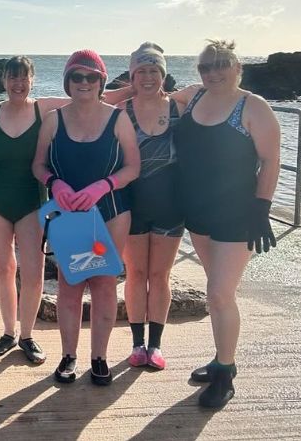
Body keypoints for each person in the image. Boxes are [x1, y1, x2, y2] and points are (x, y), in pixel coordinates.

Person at [171, 40, 280, 408]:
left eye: (221, 65)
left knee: (219, 293)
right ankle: (221, 358)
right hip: (197, 212)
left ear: (237, 67)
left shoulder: (254, 107)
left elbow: (270, 161)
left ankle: (225, 371)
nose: (213, 73)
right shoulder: (195, 97)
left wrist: (261, 209)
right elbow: (150, 95)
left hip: (237, 215)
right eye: (205, 67)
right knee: (216, 290)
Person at [32, 49, 140, 385]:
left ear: (101, 81)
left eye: (91, 77)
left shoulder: (117, 118)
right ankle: (69, 356)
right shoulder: (54, 119)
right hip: (70, 211)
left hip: (109, 210)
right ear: (67, 81)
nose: (84, 82)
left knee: (105, 284)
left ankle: (100, 358)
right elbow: (38, 165)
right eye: (77, 76)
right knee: (70, 284)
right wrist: (55, 182)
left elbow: (133, 167)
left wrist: (103, 186)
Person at [0, 56, 68, 364]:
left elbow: (92, 99)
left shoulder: (43, 109)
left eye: (23, 77)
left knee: (32, 271)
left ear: (33, 79)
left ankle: (27, 336)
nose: (18, 83)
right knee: (4, 268)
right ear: (4, 81)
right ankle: (8, 332)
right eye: (12, 78)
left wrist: (135, 92)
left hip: (32, 199)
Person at [117, 42, 185, 371]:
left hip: (171, 205)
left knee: (159, 275)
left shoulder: (178, 108)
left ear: (163, 74)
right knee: (136, 273)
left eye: (154, 70)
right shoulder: (122, 111)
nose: (147, 76)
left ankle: (155, 346)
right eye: (140, 71)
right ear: (132, 75)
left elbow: (208, 91)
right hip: (132, 204)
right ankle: (136, 344)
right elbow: (91, 101)